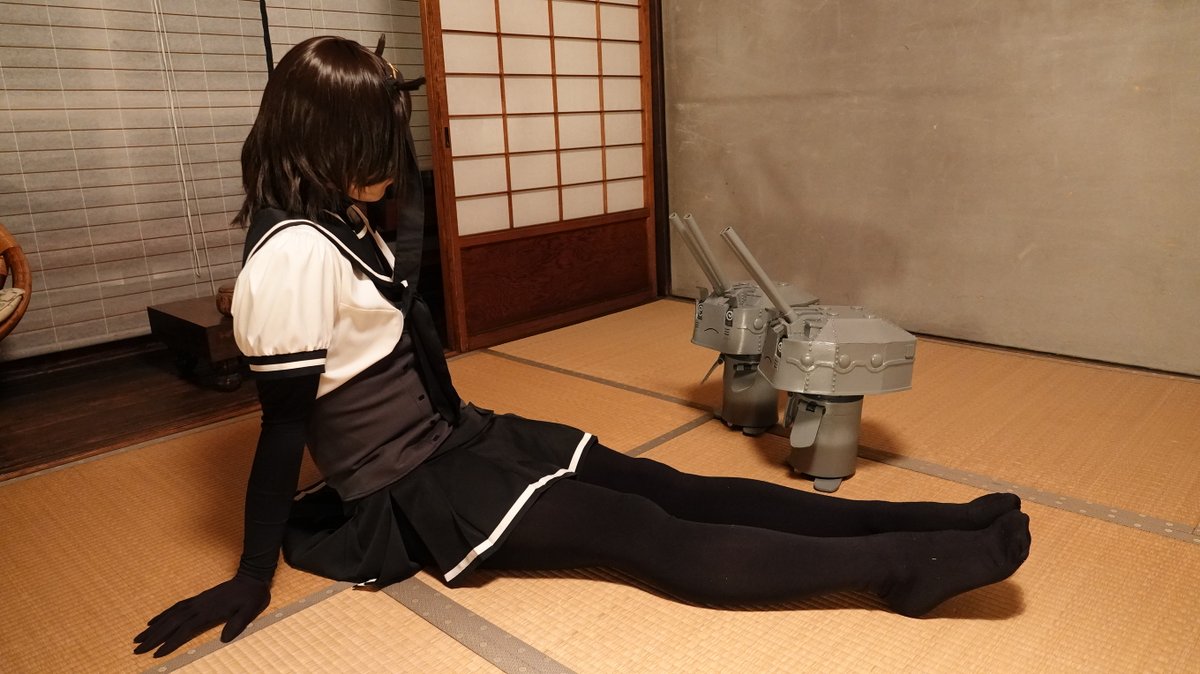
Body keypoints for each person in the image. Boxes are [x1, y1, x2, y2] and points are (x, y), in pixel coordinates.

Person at [134, 36, 1030, 659]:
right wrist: (251, 574)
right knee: (644, 533)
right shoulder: (288, 258)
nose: (392, 160)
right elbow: (283, 432)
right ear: (321, 142)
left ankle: (928, 523)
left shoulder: (341, 218)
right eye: (376, 143)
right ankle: (898, 568)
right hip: (414, 490)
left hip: (460, 437)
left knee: (667, 484)